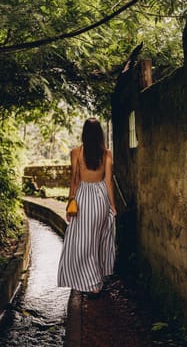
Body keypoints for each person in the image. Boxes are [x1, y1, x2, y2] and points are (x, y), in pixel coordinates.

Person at [57, 117, 117, 295]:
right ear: (100, 134)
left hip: (83, 198)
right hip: (100, 199)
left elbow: (74, 179)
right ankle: (96, 281)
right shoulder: (106, 154)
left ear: (84, 133)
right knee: (98, 239)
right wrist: (112, 206)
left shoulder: (76, 152)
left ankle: (92, 284)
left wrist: (70, 202)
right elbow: (108, 183)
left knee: (83, 241)